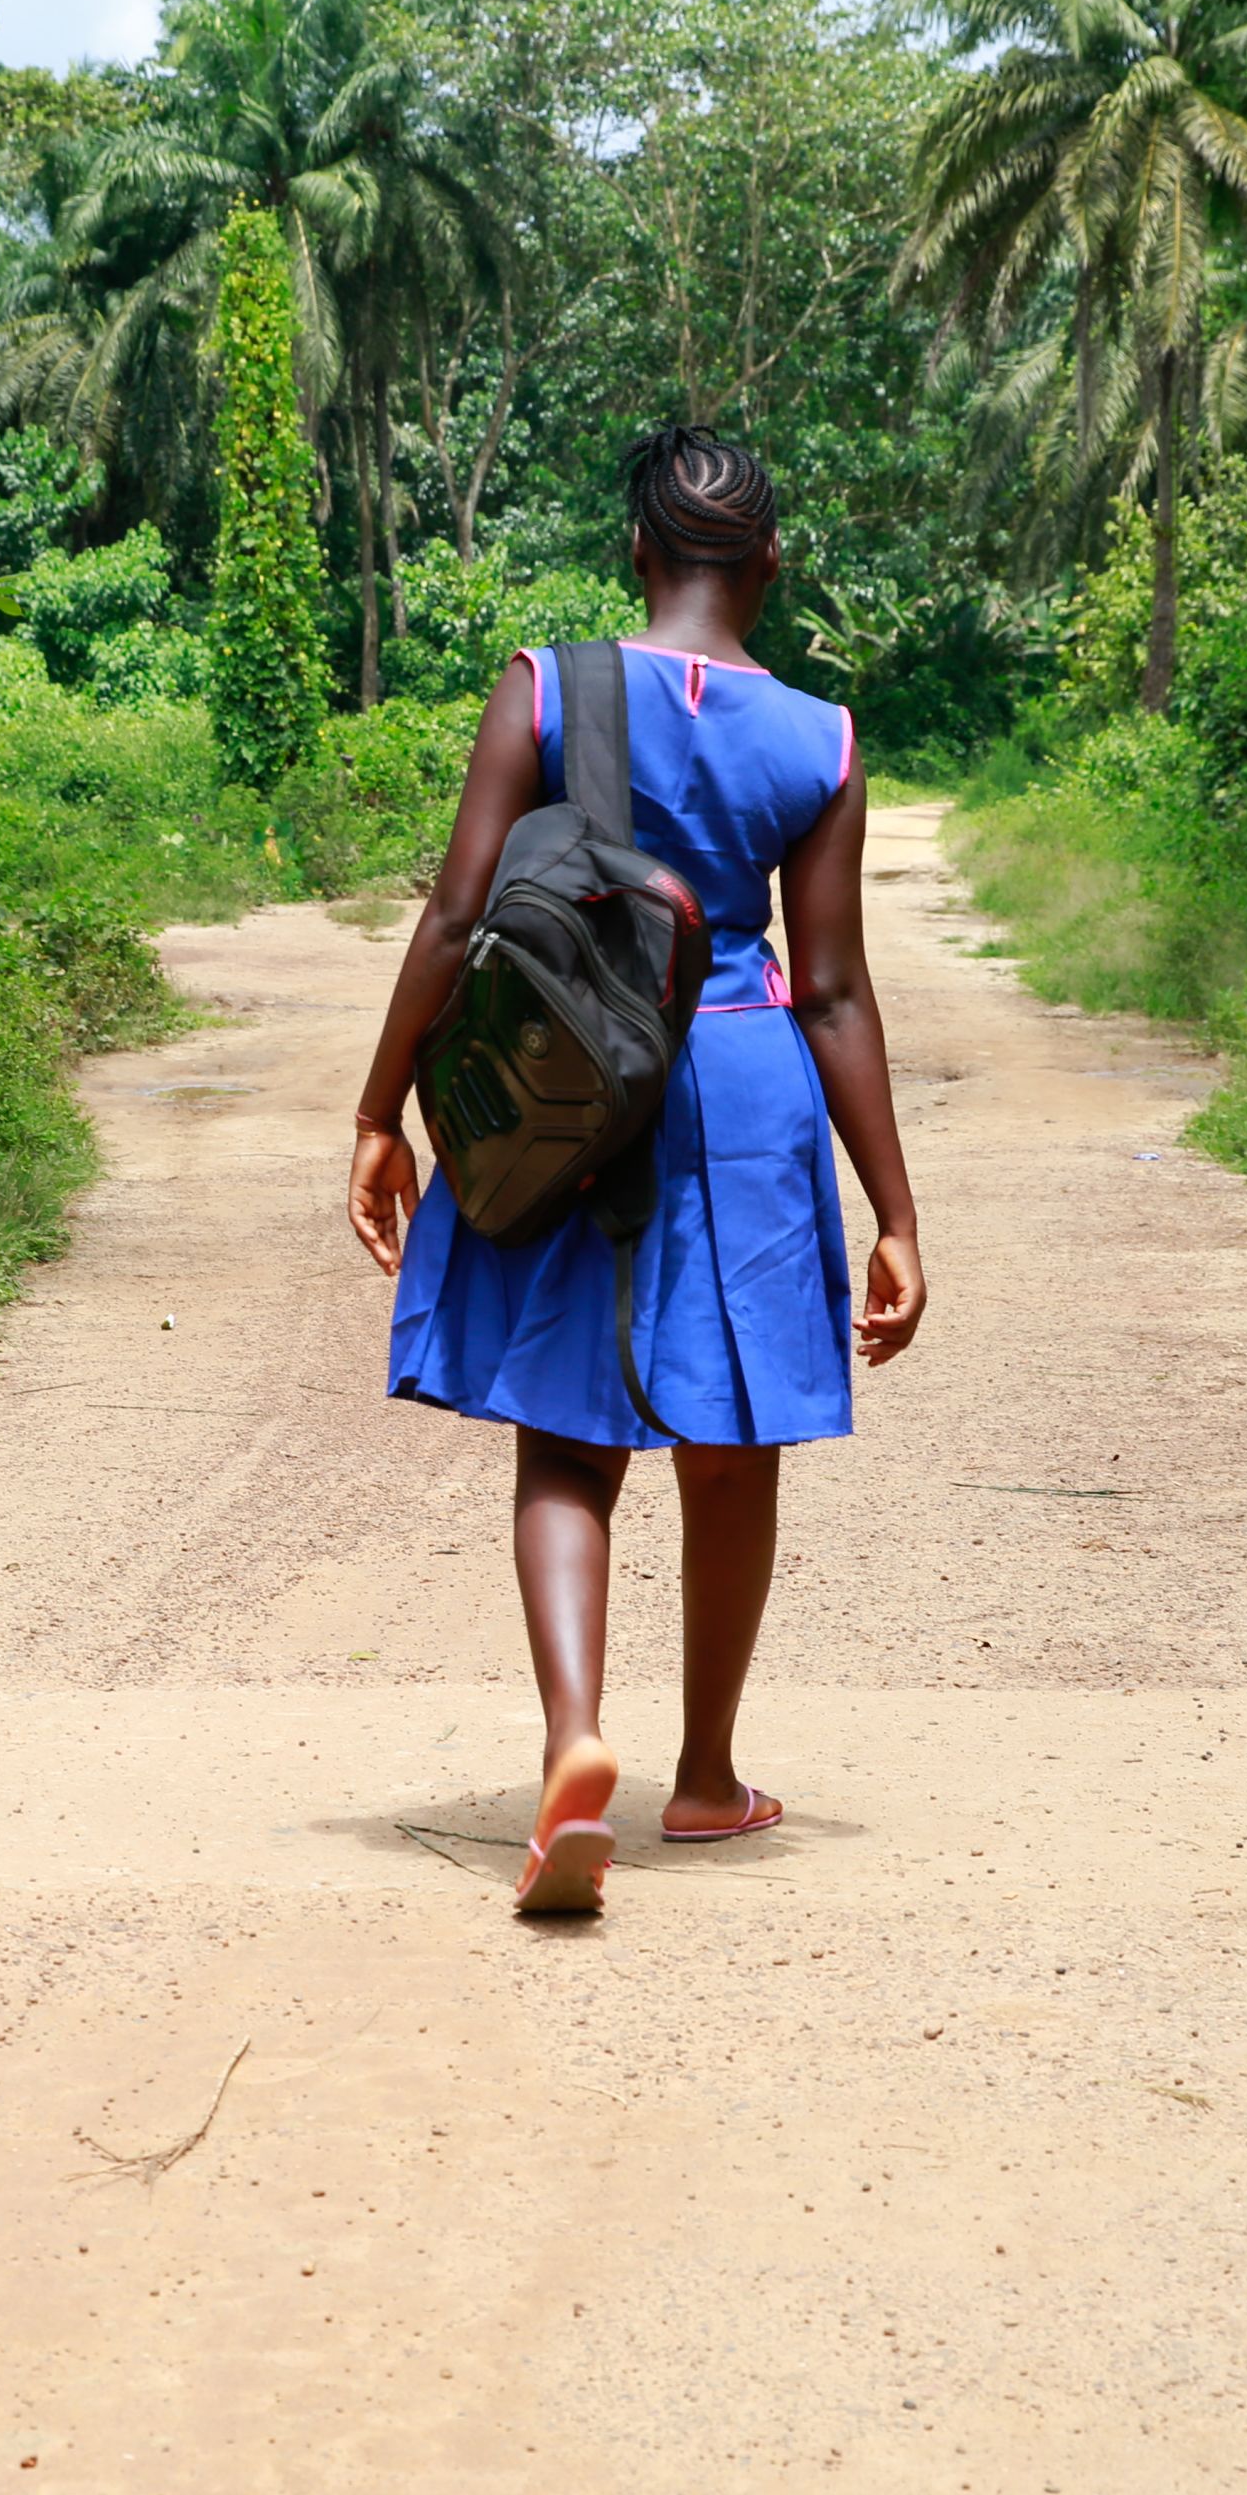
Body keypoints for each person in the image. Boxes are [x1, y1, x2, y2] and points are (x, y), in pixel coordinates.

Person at [346, 428, 927, 1915]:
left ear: (636, 556)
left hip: (570, 1077)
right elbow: (835, 991)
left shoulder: (546, 687)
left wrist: (381, 1107)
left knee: (567, 1431)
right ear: (773, 566)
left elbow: (454, 915)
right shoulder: (820, 737)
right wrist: (896, 1212)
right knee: (733, 1443)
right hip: (737, 1082)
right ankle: (711, 1778)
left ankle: (573, 1742)